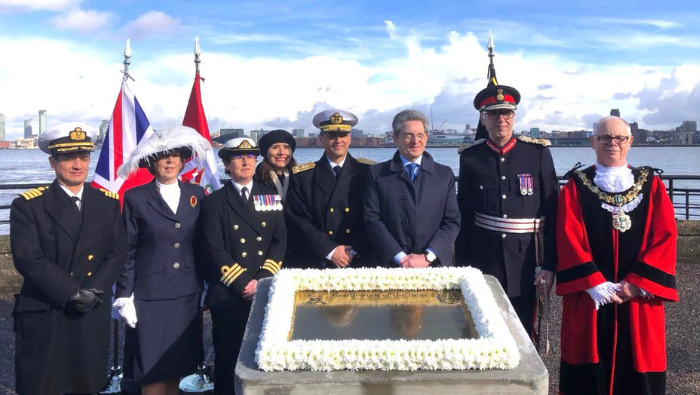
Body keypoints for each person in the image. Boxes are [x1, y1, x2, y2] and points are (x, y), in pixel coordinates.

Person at [556, 116, 678, 395]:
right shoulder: (575, 186)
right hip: (591, 297)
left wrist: (636, 284)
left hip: (637, 299)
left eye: (620, 138)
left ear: (630, 142)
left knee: (639, 364)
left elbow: (665, 237)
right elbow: (567, 236)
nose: (613, 143)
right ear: (592, 142)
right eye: (605, 138)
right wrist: (595, 283)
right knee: (586, 367)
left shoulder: (652, 185)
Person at [10, 123, 127, 395]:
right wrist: (73, 292)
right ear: (53, 162)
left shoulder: (107, 203)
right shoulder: (29, 205)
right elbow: (29, 259)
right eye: (69, 157)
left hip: (91, 310)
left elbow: (118, 251)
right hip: (47, 309)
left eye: (84, 158)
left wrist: (95, 290)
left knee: (86, 383)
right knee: (42, 385)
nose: (78, 165)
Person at [112, 126, 211, 395]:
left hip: (187, 293)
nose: (170, 161)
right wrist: (124, 295)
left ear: (182, 161)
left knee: (176, 368)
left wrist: (207, 285)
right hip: (150, 295)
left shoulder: (197, 194)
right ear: (152, 163)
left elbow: (203, 244)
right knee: (152, 370)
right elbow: (128, 249)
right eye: (163, 157)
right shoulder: (136, 197)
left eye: (175, 156)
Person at [455, 83, 558, 334]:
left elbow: (553, 214)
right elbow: (465, 217)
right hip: (484, 259)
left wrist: (550, 265)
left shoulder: (537, 153)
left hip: (527, 262)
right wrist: (463, 266)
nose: (501, 119)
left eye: (507, 113)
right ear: (483, 118)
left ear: (514, 116)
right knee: (483, 329)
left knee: (523, 332)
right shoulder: (470, 157)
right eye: (493, 114)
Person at [198, 137, 286, 395]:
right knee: (228, 357)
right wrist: (242, 283)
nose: (246, 161)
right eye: (238, 157)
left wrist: (262, 280)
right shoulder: (214, 201)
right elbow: (213, 248)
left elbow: (280, 240)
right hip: (229, 292)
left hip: (263, 290)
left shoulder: (270, 197)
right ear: (226, 165)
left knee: (264, 355)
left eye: (250, 156)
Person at [363, 109, 460, 267]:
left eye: (420, 135)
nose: (415, 141)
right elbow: (372, 219)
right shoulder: (377, 174)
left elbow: (452, 221)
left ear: (426, 138)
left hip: (435, 265)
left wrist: (427, 256)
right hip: (391, 265)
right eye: (408, 135)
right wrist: (400, 257)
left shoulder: (444, 174)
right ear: (395, 138)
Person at [286, 109, 378, 268]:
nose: (338, 140)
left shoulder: (367, 172)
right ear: (321, 139)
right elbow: (299, 220)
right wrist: (330, 250)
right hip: (319, 259)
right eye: (331, 136)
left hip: (358, 259)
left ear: (350, 138)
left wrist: (353, 251)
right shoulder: (303, 176)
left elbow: (374, 217)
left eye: (342, 135)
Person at [255, 129, 297, 201]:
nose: (281, 152)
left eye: (286, 147)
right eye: (275, 147)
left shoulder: (300, 179)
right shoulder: (255, 181)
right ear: (266, 152)